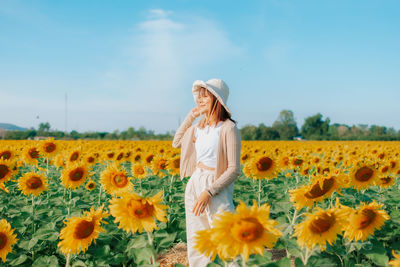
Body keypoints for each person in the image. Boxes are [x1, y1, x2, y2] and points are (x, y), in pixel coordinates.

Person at [172, 78, 241, 266]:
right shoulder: (198, 128)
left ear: (217, 101)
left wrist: (209, 191)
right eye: (199, 97)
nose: (200, 101)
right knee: (197, 237)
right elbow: (176, 142)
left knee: (226, 236)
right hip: (196, 180)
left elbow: (234, 169)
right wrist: (190, 116)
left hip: (216, 184)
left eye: (205, 97)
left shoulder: (229, 128)